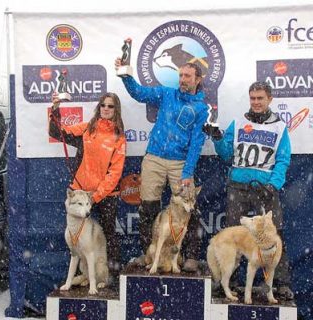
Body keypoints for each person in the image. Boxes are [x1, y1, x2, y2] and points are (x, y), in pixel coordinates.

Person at [115, 58, 208, 272]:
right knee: (148, 208)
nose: (183, 80)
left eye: (187, 76)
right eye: (181, 76)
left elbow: (196, 142)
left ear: (198, 79)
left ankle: (191, 256)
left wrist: (187, 172)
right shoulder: (167, 94)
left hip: (180, 163)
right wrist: (126, 76)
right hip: (154, 158)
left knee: (190, 208)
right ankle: (147, 253)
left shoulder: (201, 108)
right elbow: (139, 93)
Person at [204, 81, 294, 299]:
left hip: (265, 188)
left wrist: (274, 185)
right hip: (238, 186)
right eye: (252, 98)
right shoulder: (239, 122)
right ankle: (229, 280)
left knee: (274, 235)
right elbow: (226, 154)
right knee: (233, 233)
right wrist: (217, 138)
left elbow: (283, 159)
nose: (256, 102)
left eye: (260, 98)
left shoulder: (279, 127)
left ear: (269, 99)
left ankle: (279, 283)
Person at [49, 92, 126, 287]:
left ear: (116, 110)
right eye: (103, 105)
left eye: (110, 106)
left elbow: (115, 173)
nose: (106, 109)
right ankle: (80, 276)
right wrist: (56, 109)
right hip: (80, 192)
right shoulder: (87, 128)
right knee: (76, 237)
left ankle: (113, 277)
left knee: (109, 233)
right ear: (99, 107)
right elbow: (57, 133)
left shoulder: (119, 137)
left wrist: (96, 196)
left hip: (105, 195)